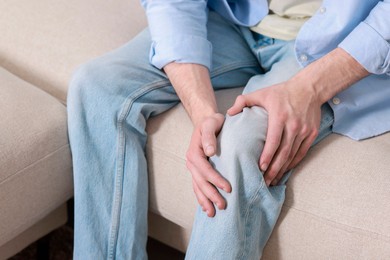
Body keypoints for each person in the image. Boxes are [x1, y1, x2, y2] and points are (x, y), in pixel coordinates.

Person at [67, 0, 390, 259]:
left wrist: (308, 90)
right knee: (97, 88)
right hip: (234, 18)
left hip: (342, 40)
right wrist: (203, 113)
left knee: (242, 143)